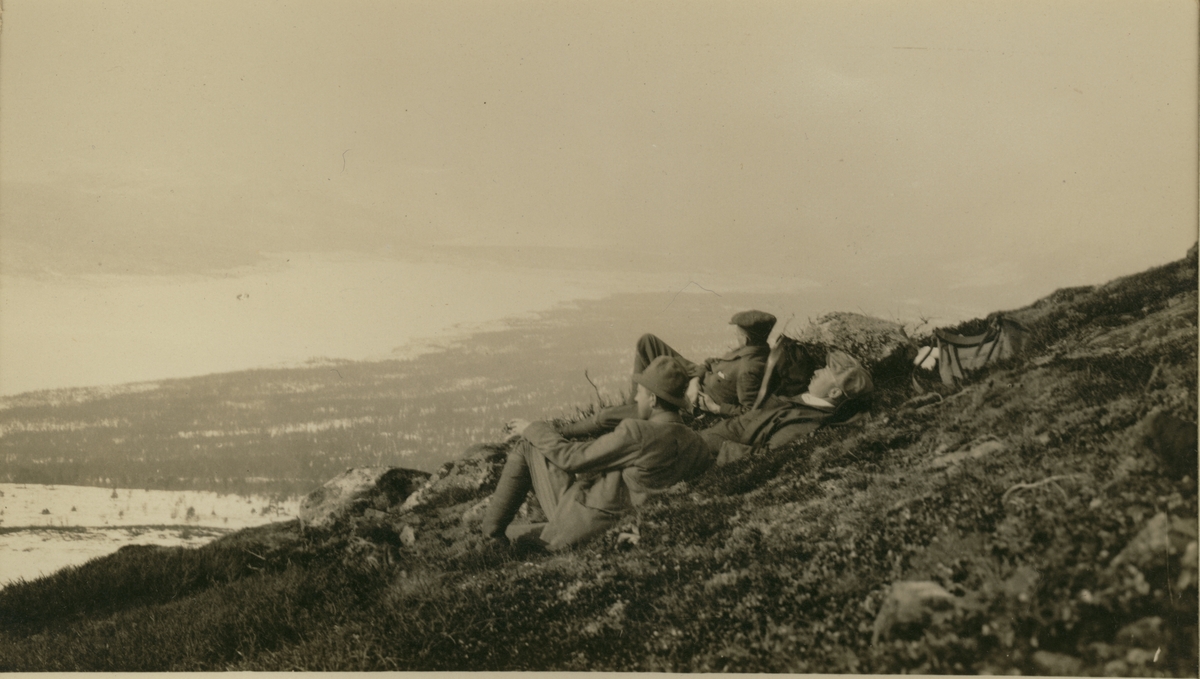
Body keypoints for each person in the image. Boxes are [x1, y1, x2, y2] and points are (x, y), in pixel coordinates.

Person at [480, 356, 713, 551]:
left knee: (529, 444)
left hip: (589, 524)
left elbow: (571, 458)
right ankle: (503, 536)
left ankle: (490, 540)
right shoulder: (697, 443)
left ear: (653, 399)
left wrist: (532, 428)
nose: (635, 398)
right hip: (622, 521)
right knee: (516, 532)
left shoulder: (638, 431)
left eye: (640, 392)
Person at [699, 349, 874, 465]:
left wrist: (719, 445)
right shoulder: (807, 400)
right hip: (712, 436)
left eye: (824, 372)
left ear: (835, 392)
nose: (816, 372)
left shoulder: (806, 422)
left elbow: (765, 459)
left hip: (709, 450)